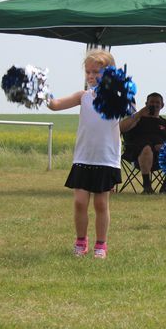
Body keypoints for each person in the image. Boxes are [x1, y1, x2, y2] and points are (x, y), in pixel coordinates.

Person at [47, 49, 122, 259]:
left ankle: (101, 244)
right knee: (80, 202)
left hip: (106, 159)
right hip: (83, 157)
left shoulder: (117, 98)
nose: (91, 76)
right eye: (88, 72)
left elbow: (127, 110)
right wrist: (42, 92)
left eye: (96, 72)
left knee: (101, 204)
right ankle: (81, 241)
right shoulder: (83, 97)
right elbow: (55, 105)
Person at [120, 92, 166, 194]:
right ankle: (147, 186)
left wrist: (164, 147)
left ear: (162, 105)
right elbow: (121, 128)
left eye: (157, 102)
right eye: (151, 102)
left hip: (160, 157)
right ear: (146, 104)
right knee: (146, 148)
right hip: (137, 154)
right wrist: (139, 114)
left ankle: (165, 187)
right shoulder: (137, 119)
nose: (154, 104)